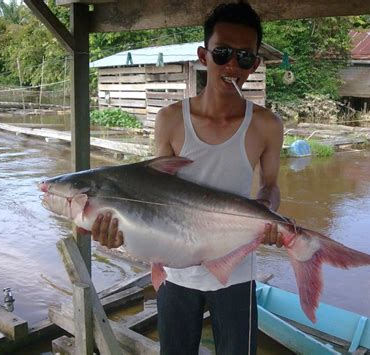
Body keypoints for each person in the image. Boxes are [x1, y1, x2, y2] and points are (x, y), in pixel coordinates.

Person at [91, 2, 284, 354]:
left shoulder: (266, 125)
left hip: (237, 273)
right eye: (222, 53)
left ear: (255, 64)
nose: (231, 65)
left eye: (243, 58)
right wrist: (122, 232)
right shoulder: (170, 120)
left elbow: (270, 187)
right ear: (203, 55)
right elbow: (153, 198)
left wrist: (268, 213)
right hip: (176, 273)